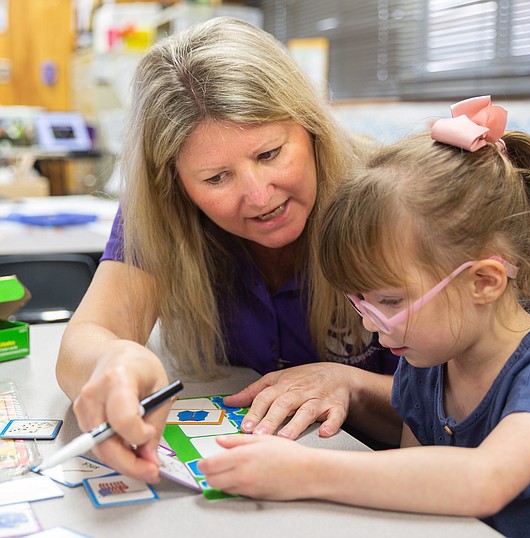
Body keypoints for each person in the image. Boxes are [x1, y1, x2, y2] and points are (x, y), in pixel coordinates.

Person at [198, 96, 530, 538]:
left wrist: (305, 472)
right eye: (361, 300)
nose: (369, 323)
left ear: (484, 282)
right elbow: (416, 503)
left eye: (391, 301)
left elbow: (485, 480)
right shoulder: (430, 359)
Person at [55, 16, 399, 482]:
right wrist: (112, 361)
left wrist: (353, 385)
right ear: (176, 185)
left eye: (270, 154)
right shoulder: (160, 212)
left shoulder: (389, 198)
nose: (259, 197)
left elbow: (476, 406)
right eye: (216, 178)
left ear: (311, 128)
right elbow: (88, 335)